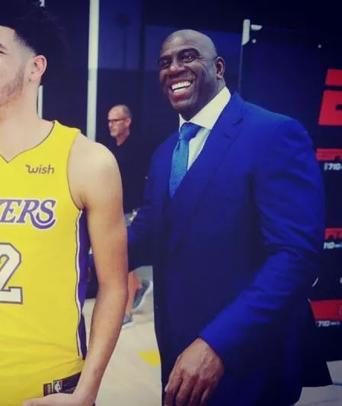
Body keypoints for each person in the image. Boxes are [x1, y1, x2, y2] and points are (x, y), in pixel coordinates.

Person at [0, 1, 127, 405]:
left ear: (36, 68)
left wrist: (86, 393)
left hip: (50, 387)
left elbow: (114, 286)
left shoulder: (88, 161)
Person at [128, 29, 331, 405]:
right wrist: (76, 253)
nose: (174, 68)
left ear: (218, 67)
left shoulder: (273, 134)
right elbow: (148, 232)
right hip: (178, 357)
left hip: (248, 360)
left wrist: (217, 343)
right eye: (165, 62)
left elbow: (295, 258)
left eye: (188, 57)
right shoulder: (165, 153)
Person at [105, 104, 152, 328]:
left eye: (115, 120)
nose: (111, 125)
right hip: (115, 212)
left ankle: (127, 312)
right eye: (109, 121)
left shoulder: (138, 148)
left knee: (124, 260)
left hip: (132, 211)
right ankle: (140, 286)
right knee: (121, 259)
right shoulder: (112, 149)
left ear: (127, 122)